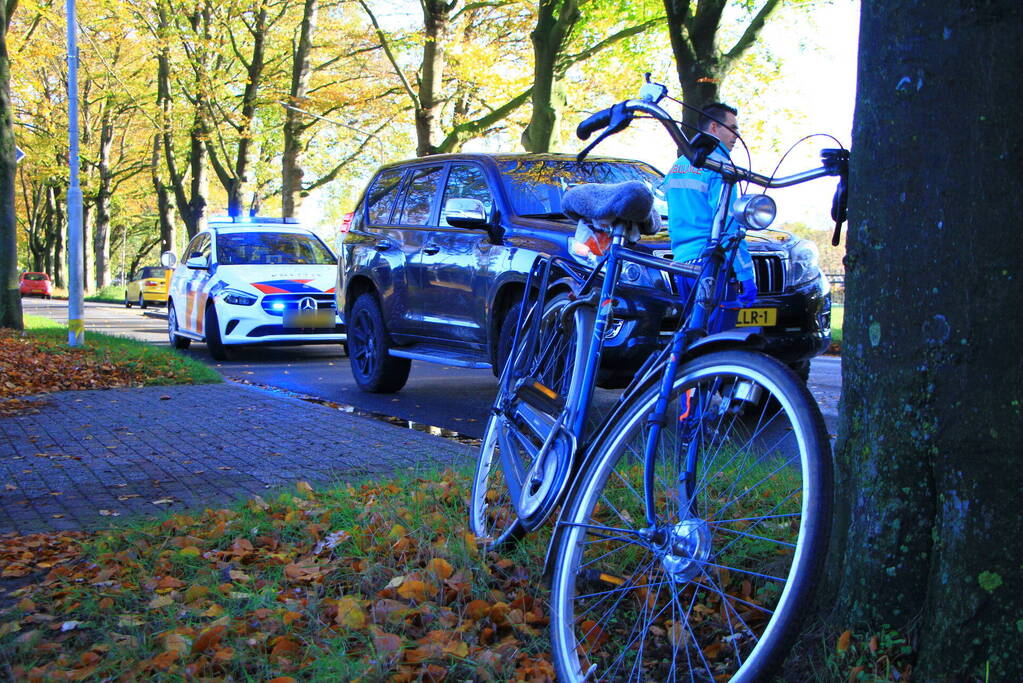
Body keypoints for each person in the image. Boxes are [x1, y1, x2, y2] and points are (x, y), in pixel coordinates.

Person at [662, 102, 758, 332]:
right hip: (712, 265)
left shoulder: (678, 166)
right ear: (714, 127)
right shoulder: (719, 167)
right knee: (717, 341)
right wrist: (746, 274)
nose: (737, 135)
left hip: (683, 264)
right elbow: (728, 226)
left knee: (693, 335)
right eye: (733, 128)